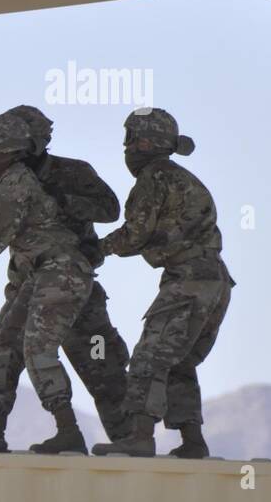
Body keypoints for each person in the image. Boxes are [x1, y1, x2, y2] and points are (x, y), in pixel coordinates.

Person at [0, 105, 131, 451]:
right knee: (2, 349)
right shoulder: (6, 179)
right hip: (33, 281)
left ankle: (125, 439)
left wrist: (62, 202)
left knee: (96, 364)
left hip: (66, 278)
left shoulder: (63, 173)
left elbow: (109, 208)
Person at [91, 108, 234, 459]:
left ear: (144, 141)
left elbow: (134, 235)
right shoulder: (184, 178)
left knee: (150, 356)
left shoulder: (154, 178)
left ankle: (140, 436)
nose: (127, 148)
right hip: (215, 280)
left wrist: (97, 249)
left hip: (188, 280)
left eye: (130, 139)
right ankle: (192, 441)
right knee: (179, 361)